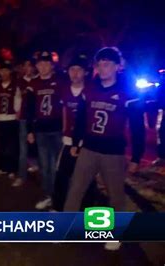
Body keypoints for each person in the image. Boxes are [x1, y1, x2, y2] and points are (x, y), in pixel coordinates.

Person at [63, 47, 145, 251]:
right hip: (89, 148)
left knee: (115, 194)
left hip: (113, 152)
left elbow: (137, 128)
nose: (102, 68)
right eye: (99, 64)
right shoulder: (90, 89)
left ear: (117, 66)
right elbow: (81, 119)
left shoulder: (128, 92)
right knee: (75, 188)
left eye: (107, 63)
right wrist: (75, 142)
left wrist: (136, 157)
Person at [51, 54, 97, 212]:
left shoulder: (91, 90)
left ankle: (88, 213)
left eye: (79, 69)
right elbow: (64, 111)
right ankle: (58, 207)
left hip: (86, 142)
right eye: (72, 69)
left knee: (87, 179)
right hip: (68, 140)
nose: (75, 73)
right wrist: (65, 133)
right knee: (62, 175)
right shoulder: (64, 89)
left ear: (85, 72)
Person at [26, 51, 63, 210]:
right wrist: (30, 130)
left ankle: (58, 197)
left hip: (57, 129)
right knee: (44, 166)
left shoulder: (60, 82)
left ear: (52, 65)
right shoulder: (33, 84)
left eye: (46, 63)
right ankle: (48, 195)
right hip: (40, 130)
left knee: (56, 166)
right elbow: (29, 109)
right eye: (40, 64)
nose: (43, 66)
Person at [0, 60, 21, 178]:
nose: (4, 73)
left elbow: (18, 101)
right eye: (2, 71)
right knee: (1, 144)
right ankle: (1, 167)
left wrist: (17, 115)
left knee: (12, 145)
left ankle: (12, 169)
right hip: (0, 118)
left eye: (6, 70)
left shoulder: (15, 86)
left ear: (10, 72)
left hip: (11, 119)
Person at [15, 57, 38, 187]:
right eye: (25, 65)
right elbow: (17, 99)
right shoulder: (20, 82)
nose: (28, 68)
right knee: (23, 148)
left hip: (39, 119)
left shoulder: (39, 80)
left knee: (40, 146)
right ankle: (21, 175)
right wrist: (17, 112)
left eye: (30, 65)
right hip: (24, 118)